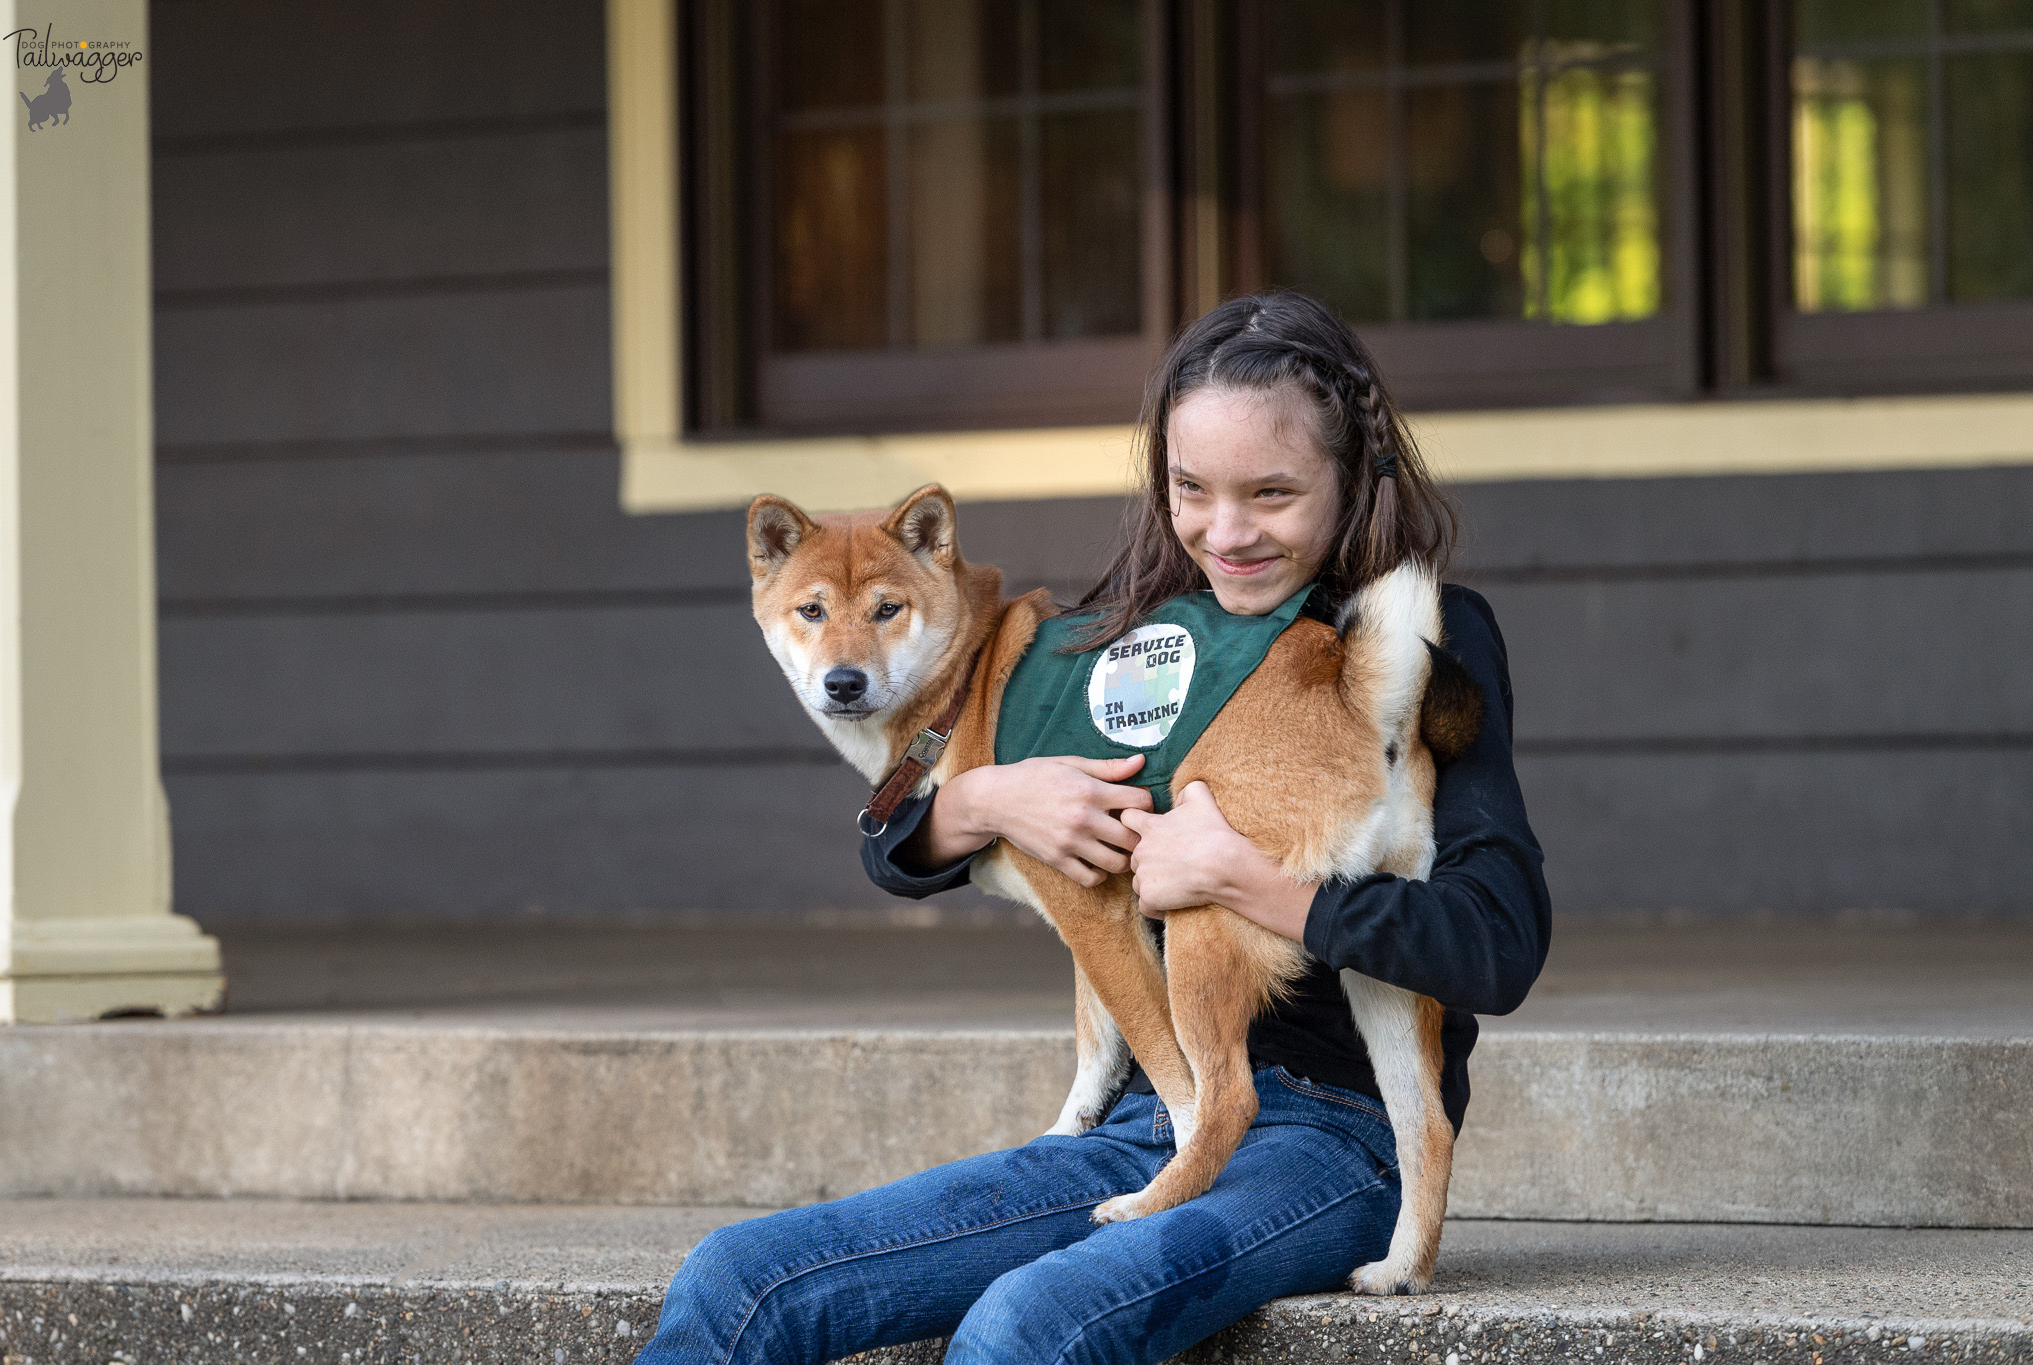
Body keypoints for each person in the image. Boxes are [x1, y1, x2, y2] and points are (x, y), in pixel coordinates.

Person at [633, 292, 1550, 1365]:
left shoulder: (1432, 645)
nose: (1226, 530)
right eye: (1191, 491)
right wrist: (981, 801)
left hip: (1331, 1143)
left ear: (1354, 479)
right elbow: (897, 838)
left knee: (1030, 1326)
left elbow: (1493, 942)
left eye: (1272, 493)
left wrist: (1248, 881)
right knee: (738, 1279)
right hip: (1139, 1121)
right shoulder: (1139, 628)